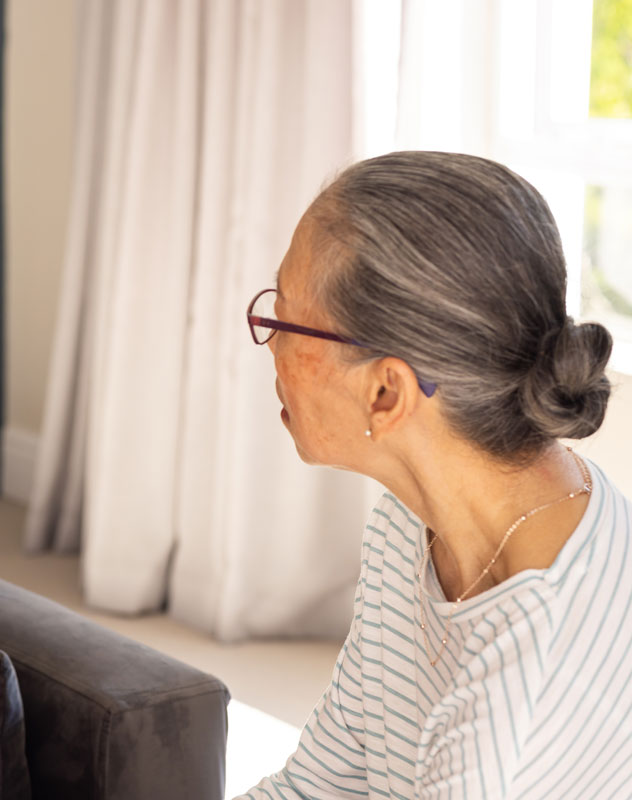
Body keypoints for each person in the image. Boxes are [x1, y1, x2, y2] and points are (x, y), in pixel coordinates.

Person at [239, 151, 632, 798]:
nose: (271, 346)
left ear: (386, 394)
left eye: (283, 320)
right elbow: (321, 784)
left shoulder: (521, 694)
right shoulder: (414, 523)